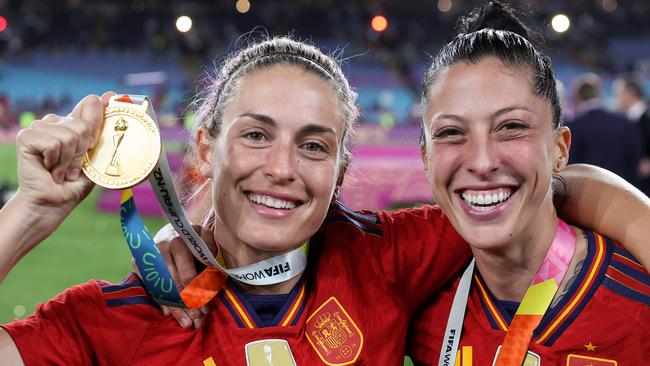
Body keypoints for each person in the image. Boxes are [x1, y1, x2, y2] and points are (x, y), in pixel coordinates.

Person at [0, 36, 649, 365]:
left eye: (314, 146)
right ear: (204, 150)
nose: (282, 169)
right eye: (255, 136)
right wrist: (25, 217)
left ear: (339, 174)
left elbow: (520, 189)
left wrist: (638, 222)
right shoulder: (124, 316)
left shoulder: (384, 257)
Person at [407, 2, 649, 365]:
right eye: (451, 132)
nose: (482, 161)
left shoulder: (638, 309)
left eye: (511, 127)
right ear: (426, 159)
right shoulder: (414, 308)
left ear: (559, 149)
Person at [568, 72, 643, 187]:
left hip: (587, 195)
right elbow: (635, 159)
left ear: (577, 98)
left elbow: (570, 167)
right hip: (623, 191)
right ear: (599, 94)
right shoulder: (623, 122)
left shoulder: (574, 127)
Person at [614, 72, 650, 196]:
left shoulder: (646, 116)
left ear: (630, 93)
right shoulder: (624, 119)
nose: (616, 98)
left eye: (619, 93)